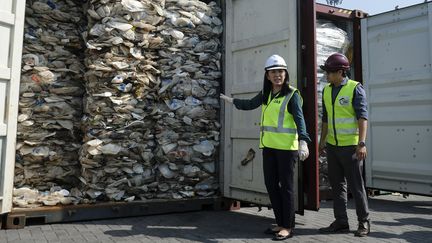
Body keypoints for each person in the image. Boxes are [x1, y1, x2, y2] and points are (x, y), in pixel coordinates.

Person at [220, 54, 311, 241]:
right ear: (267, 75)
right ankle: (280, 222)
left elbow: (300, 120)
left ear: (285, 74)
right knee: (271, 185)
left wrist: (304, 141)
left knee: (286, 187)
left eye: (280, 71)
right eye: (273, 72)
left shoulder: (292, 95)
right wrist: (232, 101)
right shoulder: (267, 94)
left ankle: (288, 226)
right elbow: (250, 104)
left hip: (287, 149)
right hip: (269, 147)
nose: (278, 75)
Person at [317, 53, 370, 237]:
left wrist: (361, 143)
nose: (327, 76)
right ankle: (341, 221)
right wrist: (321, 141)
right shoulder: (326, 90)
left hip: (351, 148)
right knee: (337, 186)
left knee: (356, 187)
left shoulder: (355, 89)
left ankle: (364, 222)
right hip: (332, 147)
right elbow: (325, 119)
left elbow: (362, 117)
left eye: (330, 73)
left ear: (340, 72)